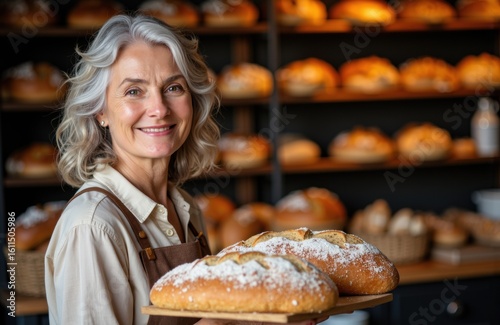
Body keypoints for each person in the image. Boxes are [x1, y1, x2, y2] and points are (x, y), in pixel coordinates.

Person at [45, 13, 326, 325]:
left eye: (173, 87)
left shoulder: (186, 210)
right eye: (134, 91)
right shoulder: (93, 226)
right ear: (101, 111)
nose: (159, 109)